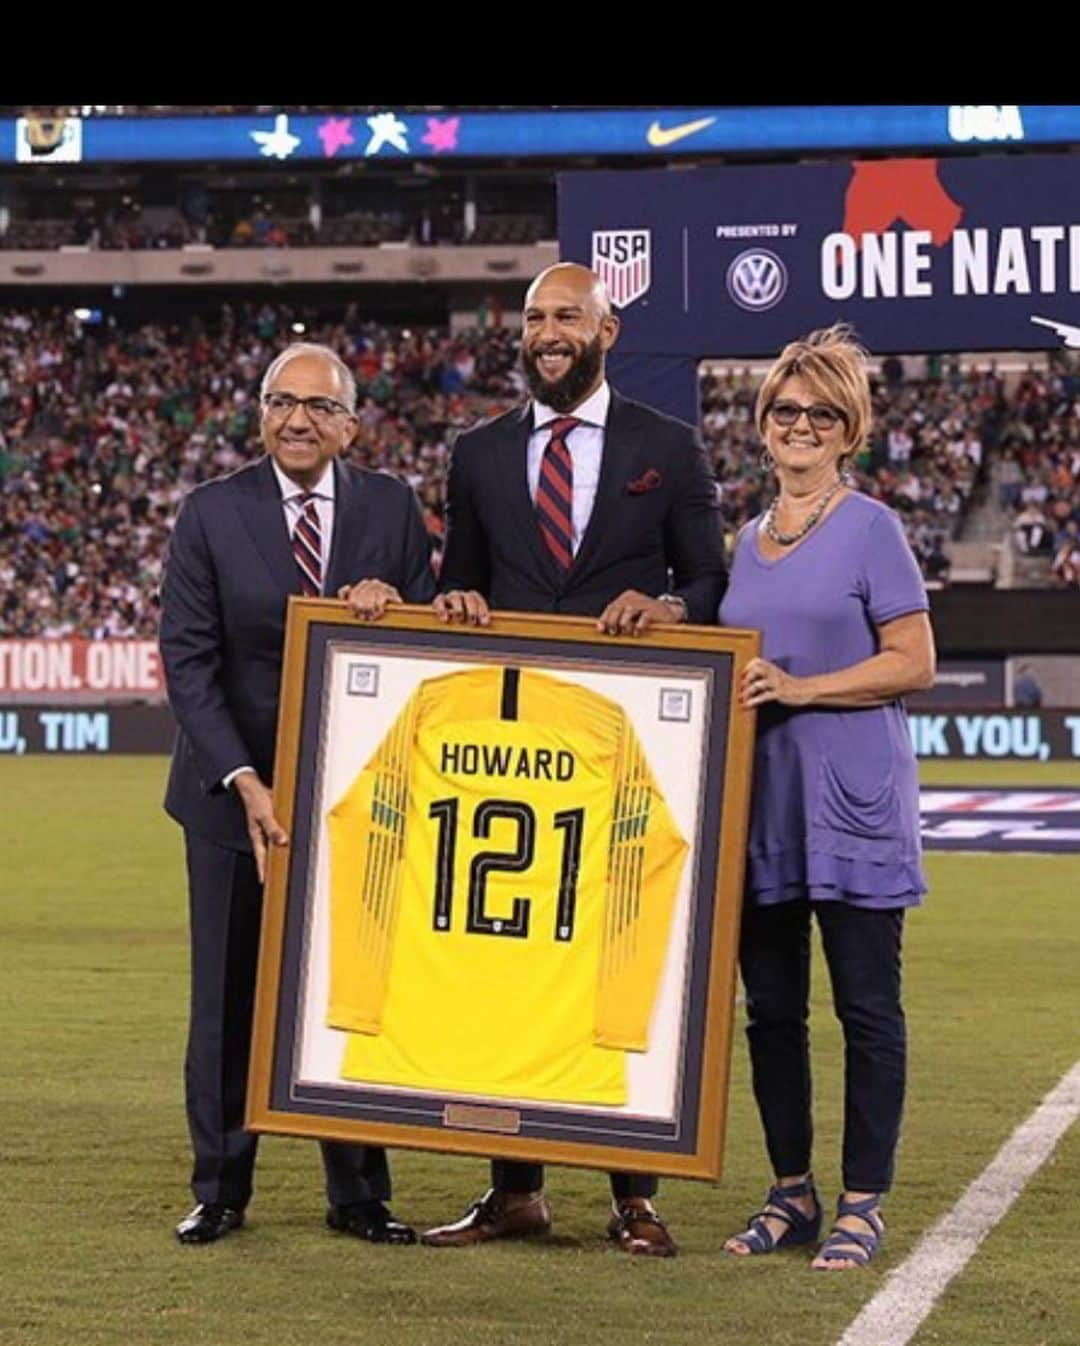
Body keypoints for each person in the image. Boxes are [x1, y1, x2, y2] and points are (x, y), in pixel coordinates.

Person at [400, 261, 725, 1256]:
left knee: (617, 950)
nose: (548, 331)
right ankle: (515, 1187)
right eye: (536, 316)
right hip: (513, 748)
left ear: (606, 329)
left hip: (624, 741)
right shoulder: (479, 450)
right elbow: (462, 579)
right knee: (514, 954)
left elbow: (708, 575)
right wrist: (454, 602)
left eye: (567, 316)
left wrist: (668, 608)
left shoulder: (669, 446)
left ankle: (634, 1193)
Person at [159, 342, 436, 1246]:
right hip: (232, 803)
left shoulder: (391, 508)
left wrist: (396, 601)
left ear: (351, 423)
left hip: (360, 803)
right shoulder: (209, 513)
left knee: (352, 997)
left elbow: (430, 637)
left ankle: (359, 1196)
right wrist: (246, 780)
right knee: (229, 1000)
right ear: (260, 414)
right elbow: (189, 663)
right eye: (282, 402)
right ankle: (221, 1187)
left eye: (318, 406)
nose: (298, 420)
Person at [717, 325, 935, 1271]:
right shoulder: (741, 540)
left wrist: (804, 688)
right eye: (786, 410)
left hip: (851, 800)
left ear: (850, 430)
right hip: (761, 807)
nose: (800, 425)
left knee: (866, 1010)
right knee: (771, 1011)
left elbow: (915, 660)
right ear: (763, 425)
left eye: (822, 413)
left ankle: (861, 1204)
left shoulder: (872, 527)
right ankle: (791, 1194)